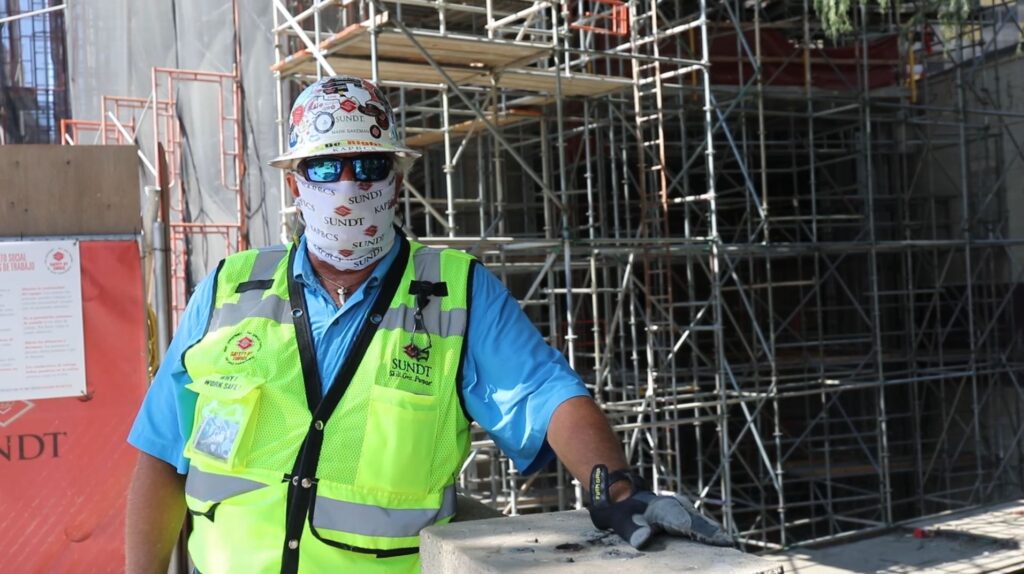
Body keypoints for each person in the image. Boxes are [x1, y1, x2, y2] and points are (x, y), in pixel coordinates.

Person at [125, 75, 731, 574]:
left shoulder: (454, 293)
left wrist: (617, 491)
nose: (348, 186)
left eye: (367, 165)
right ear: (294, 182)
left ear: (396, 176)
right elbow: (161, 454)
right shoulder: (231, 288)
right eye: (325, 168)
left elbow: (546, 395)